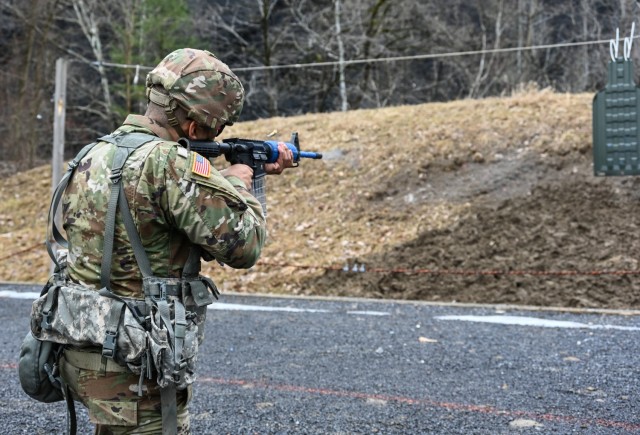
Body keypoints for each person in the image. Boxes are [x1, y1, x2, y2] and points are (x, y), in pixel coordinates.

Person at [57, 48, 293, 434]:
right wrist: (239, 180)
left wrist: (220, 175)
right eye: (215, 128)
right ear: (197, 125)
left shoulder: (95, 151)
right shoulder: (172, 165)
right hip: (138, 366)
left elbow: (153, 218)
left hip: (82, 345)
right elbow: (245, 245)